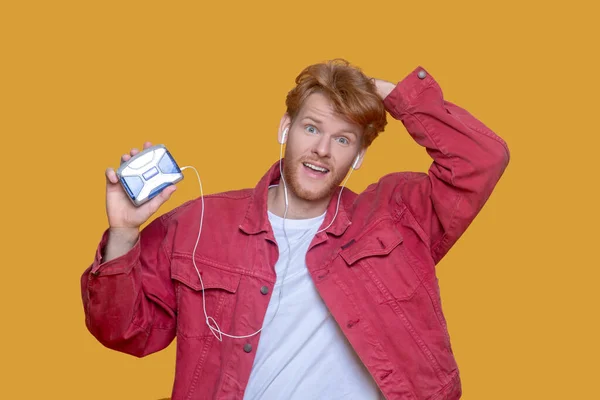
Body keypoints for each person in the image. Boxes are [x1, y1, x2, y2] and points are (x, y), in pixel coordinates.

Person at [80, 59, 510, 400]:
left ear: (358, 156)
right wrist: (123, 233)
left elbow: (481, 160)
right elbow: (125, 331)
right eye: (311, 128)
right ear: (285, 129)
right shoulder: (199, 224)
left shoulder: (397, 215)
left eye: (344, 139)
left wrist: (387, 94)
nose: (322, 149)